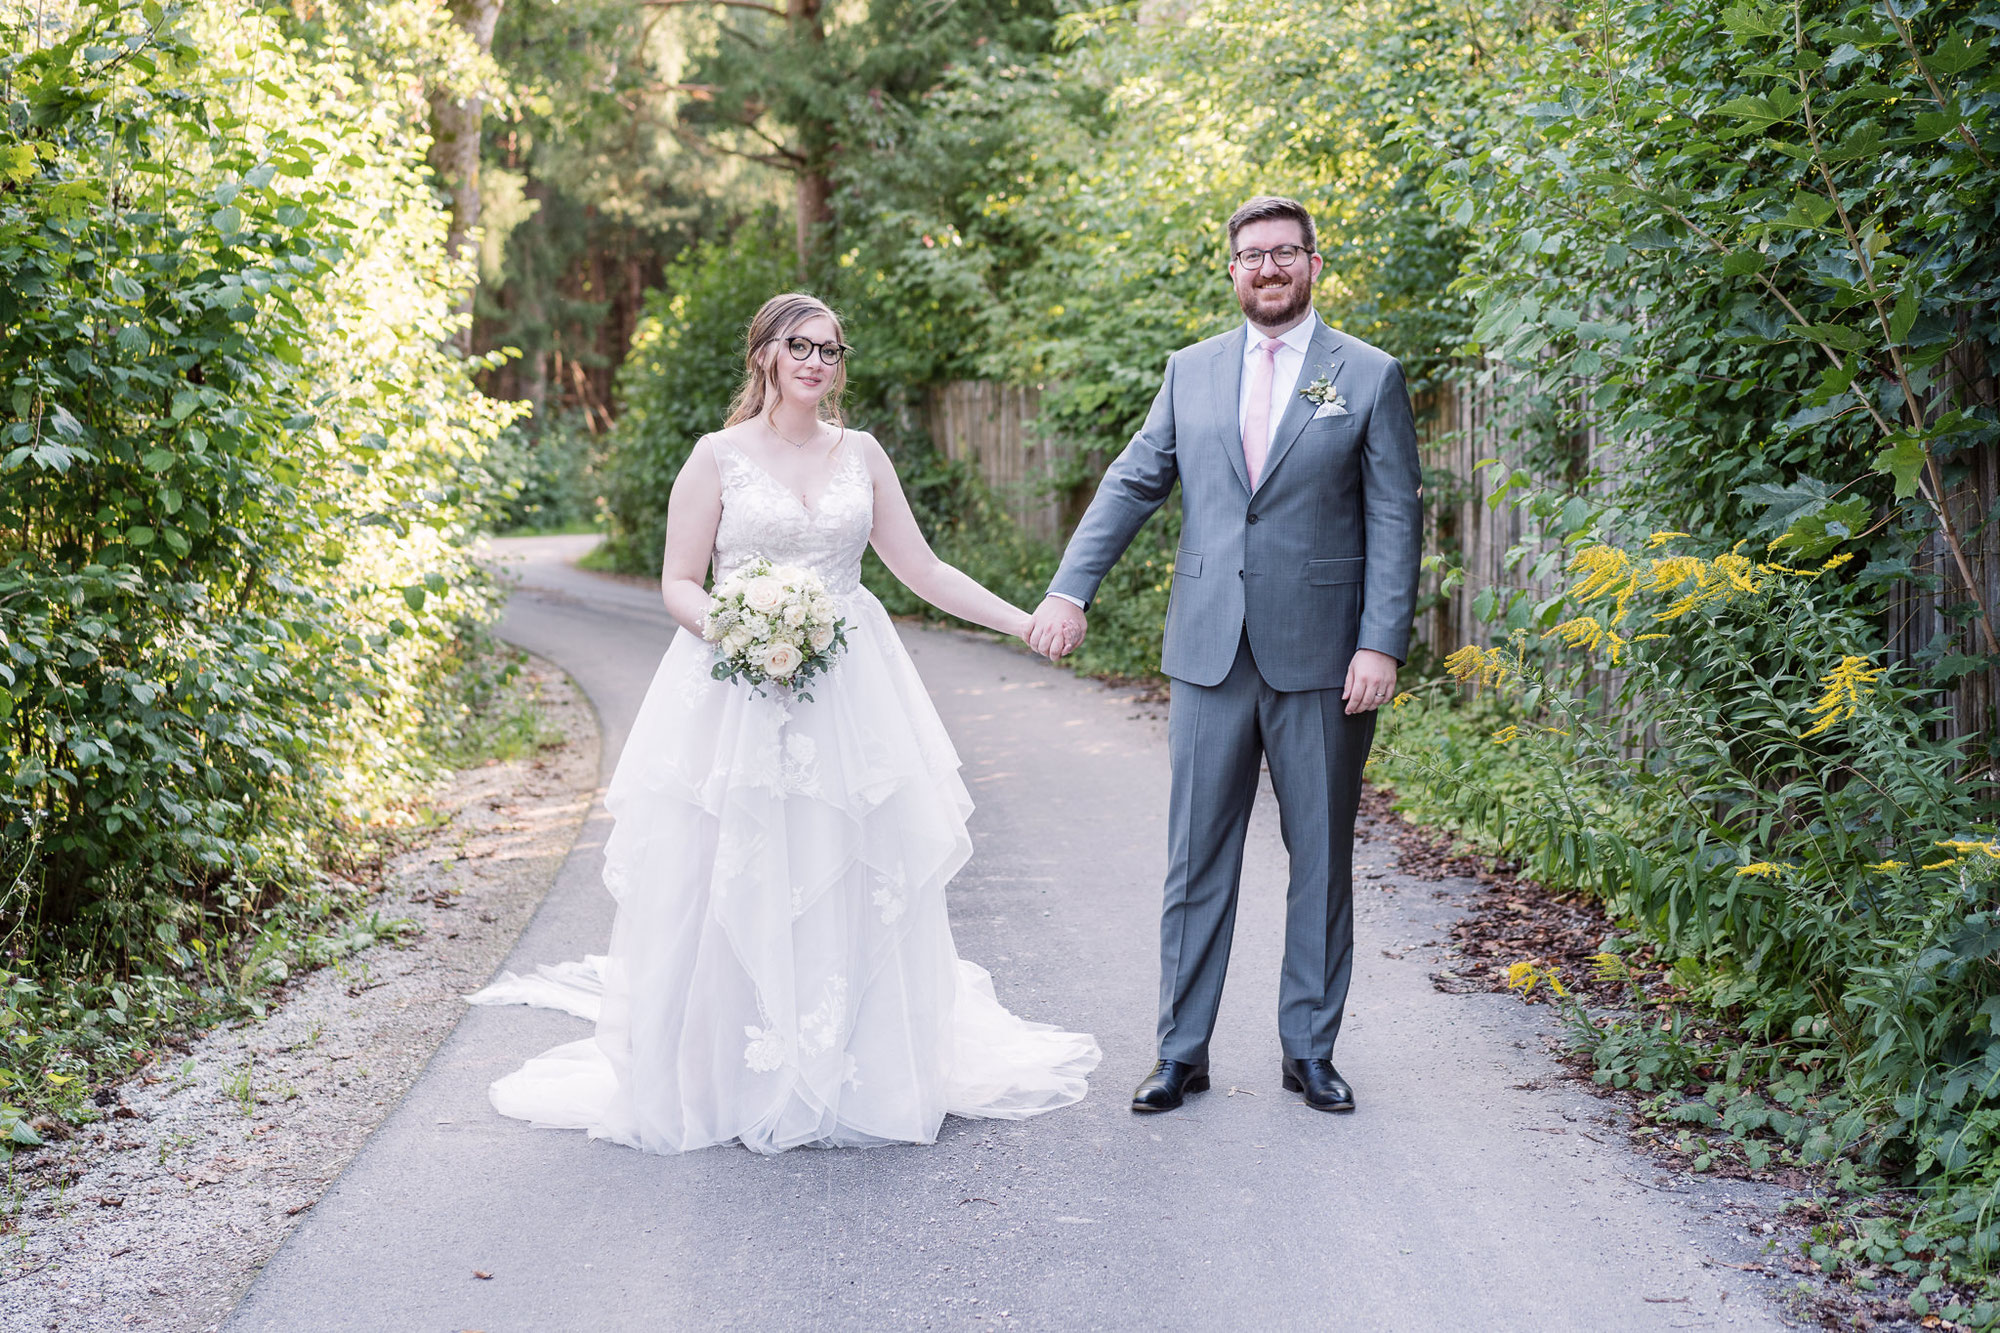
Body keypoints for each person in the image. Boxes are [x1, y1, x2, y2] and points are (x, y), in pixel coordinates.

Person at [471, 292, 1099, 1155]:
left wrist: (1023, 621)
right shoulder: (716, 458)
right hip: (737, 690)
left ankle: (852, 1063)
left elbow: (919, 569)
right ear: (765, 352)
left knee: (848, 863)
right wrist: (743, 627)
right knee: (733, 863)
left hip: (849, 691)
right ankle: (728, 1072)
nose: (816, 362)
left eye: (832, 350)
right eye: (800, 345)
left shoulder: (865, 455)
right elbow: (679, 582)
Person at [1025, 195, 1423, 1116]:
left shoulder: (1366, 374)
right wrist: (1067, 588)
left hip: (1326, 658)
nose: (1269, 268)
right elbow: (1132, 481)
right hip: (1208, 651)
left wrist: (1380, 641)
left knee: (1319, 854)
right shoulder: (1191, 371)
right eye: (1252, 255)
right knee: (1196, 856)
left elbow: (1396, 517)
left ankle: (1309, 1048)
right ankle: (1180, 1050)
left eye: (1285, 252)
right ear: (1232, 270)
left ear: (1314, 264)